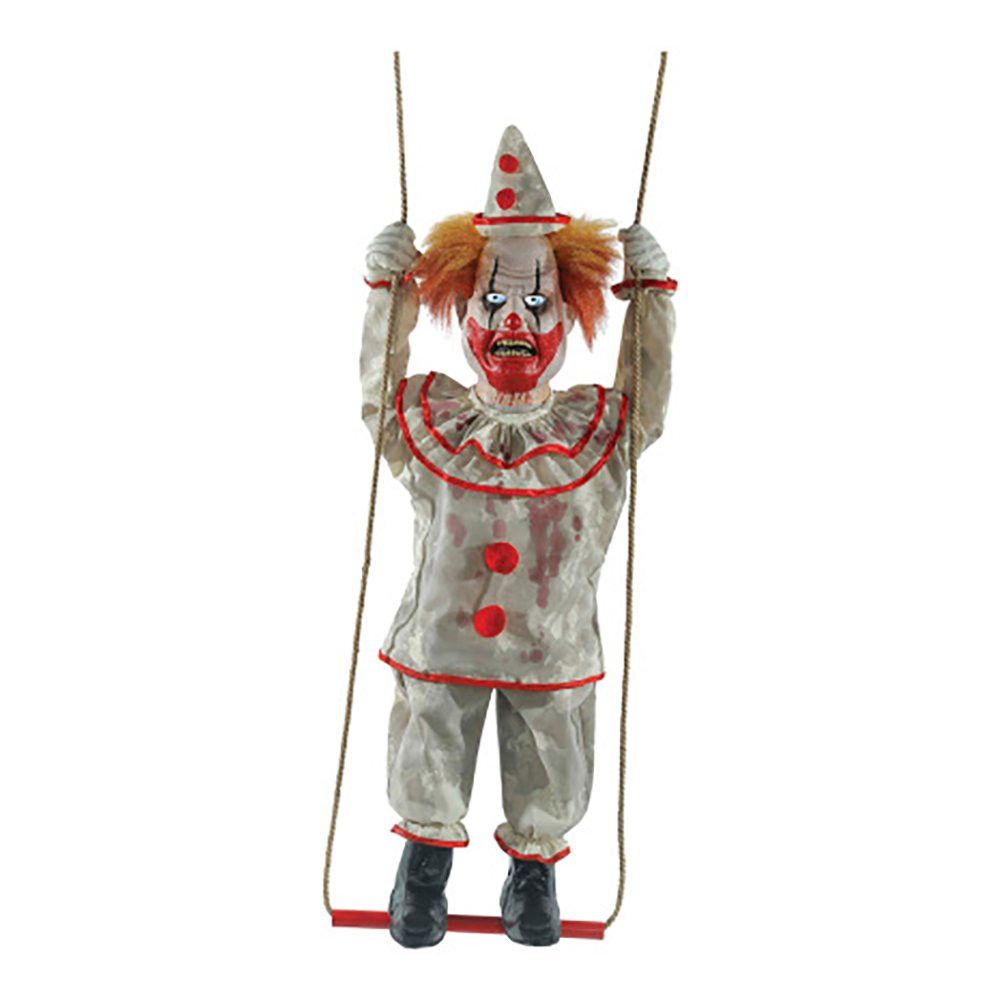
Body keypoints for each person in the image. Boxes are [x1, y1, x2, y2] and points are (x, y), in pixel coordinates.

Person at [358, 125, 676, 947]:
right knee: (433, 729)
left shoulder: (595, 430)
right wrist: (385, 295)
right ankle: (422, 866)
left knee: (550, 743)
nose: (512, 319)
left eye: (537, 303)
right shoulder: (432, 418)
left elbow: (646, 398)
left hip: (549, 645)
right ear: (463, 312)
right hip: (442, 637)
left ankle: (533, 875)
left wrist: (653, 300)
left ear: (567, 316)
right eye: (493, 301)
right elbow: (377, 401)